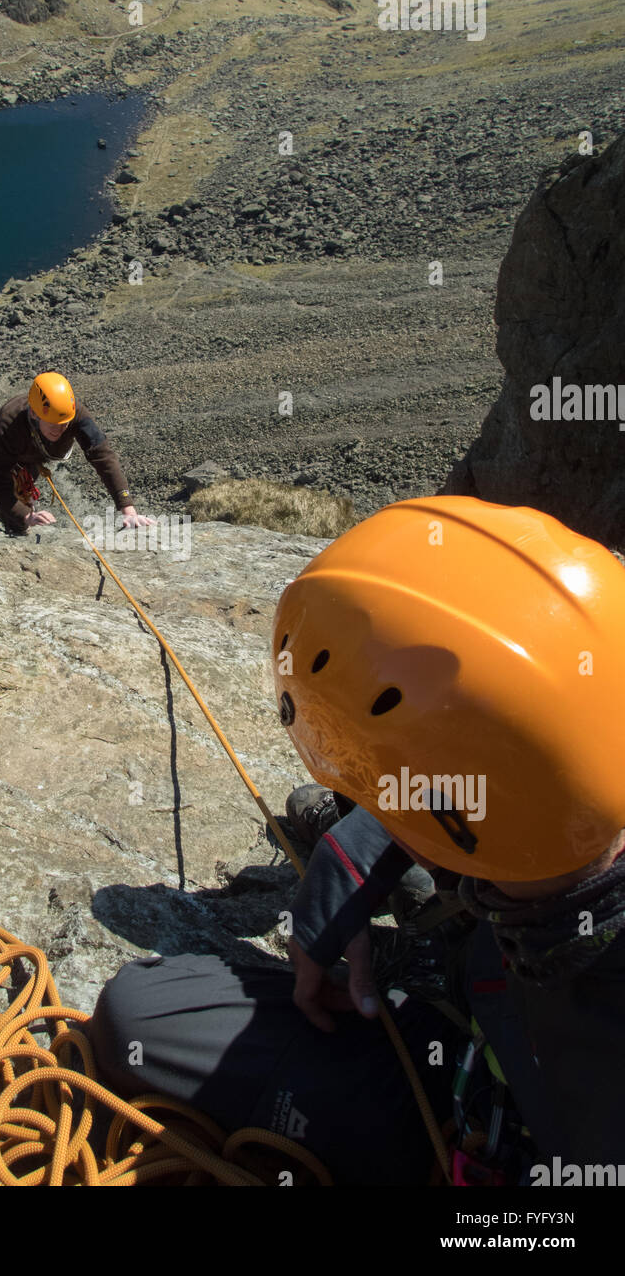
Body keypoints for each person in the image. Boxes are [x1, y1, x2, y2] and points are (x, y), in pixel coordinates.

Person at [87, 495, 625, 1184]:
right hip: (492, 976)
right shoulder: (585, 733)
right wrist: (336, 883)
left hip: (489, 1098)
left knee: (140, 1018)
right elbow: (515, 776)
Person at [0, 372, 154, 537]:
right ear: (34, 413)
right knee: (16, 512)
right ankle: (15, 530)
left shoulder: (75, 413)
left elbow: (103, 456)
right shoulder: (9, 425)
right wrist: (26, 516)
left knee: (25, 501)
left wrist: (128, 509)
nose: (60, 431)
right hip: (15, 457)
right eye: (53, 424)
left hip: (34, 452)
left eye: (65, 425)